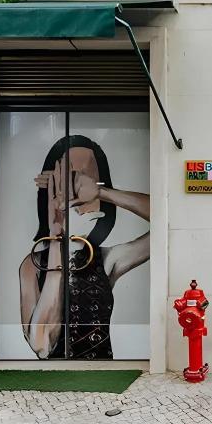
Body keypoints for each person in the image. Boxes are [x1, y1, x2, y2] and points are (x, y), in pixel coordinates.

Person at [18, 135, 150, 360]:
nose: (76, 190)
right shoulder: (32, 265)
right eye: (67, 179)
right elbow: (42, 345)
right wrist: (56, 238)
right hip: (52, 378)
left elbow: (166, 220)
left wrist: (102, 192)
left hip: (103, 372)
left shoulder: (105, 260)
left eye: (86, 178)